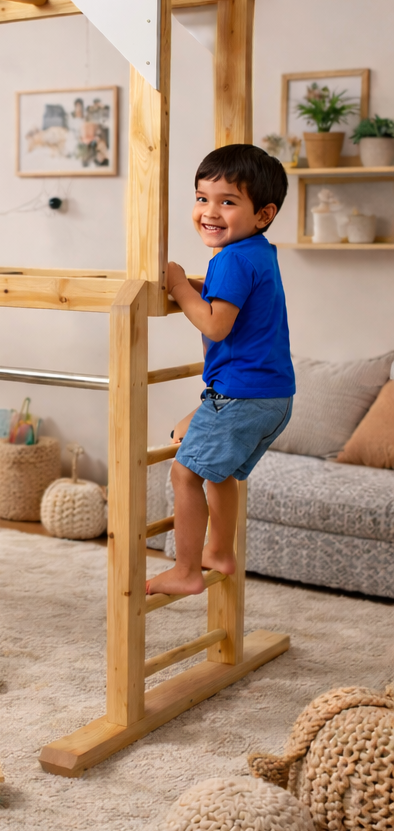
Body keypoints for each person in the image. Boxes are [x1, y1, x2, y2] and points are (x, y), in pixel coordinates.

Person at [146, 144, 295, 598]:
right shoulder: (256, 253)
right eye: (201, 198)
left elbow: (215, 320)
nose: (209, 211)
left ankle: (187, 569)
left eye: (227, 201)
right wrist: (191, 286)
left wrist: (175, 284)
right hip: (271, 396)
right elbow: (222, 298)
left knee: (184, 473)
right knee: (219, 473)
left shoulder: (230, 258)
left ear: (263, 213)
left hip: (240, 394)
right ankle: (220, 553)